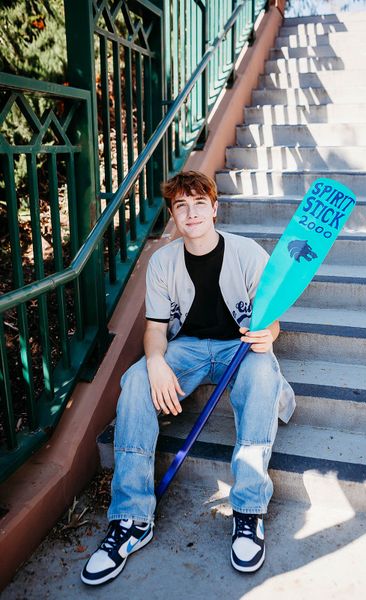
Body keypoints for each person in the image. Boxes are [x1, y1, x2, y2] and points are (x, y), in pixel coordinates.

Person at [81, 170, 295, 585]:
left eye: (200, 204)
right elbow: (156, 329)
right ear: (174, 216)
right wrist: (155, 361)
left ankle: (249, 510)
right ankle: (131, 520)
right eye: (182, 206)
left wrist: (267, 337)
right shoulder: (162, 261)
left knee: (263, 374)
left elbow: (273, 324)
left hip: (240, 345)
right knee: (137, 380)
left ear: (215, 208)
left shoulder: (248, 253)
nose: (191, 213)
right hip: (190, 347)